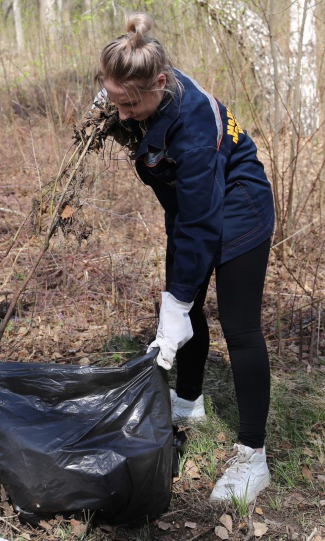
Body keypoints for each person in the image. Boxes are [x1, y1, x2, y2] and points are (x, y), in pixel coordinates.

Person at [97, 13, 275, 504]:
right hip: (191, 206)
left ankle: (253, 457)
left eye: (130, 104)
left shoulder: (194, 131)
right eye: (115, 100)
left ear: (159, 84)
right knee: (186, 303)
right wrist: (111, 105)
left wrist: (172, 306)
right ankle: (189, 400)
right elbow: (188, 218)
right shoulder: (148, 81)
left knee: (239, 328)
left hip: (240, 207)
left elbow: (200, 225)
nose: (124, 114)